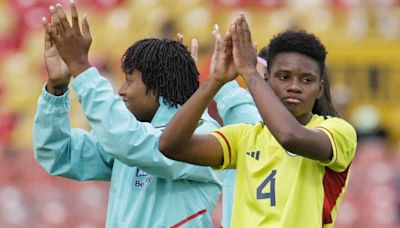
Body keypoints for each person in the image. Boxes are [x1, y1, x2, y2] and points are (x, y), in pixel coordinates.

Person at [33, 2, 258, 227]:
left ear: (159, 87)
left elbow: (132, 141)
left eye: (129, 81)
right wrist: (57, 88)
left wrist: (82, 68)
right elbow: (58, 153)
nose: (121, 90)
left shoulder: (203, 133)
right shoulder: (133, 136)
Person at [159, 14, 357, 227]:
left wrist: (249, 72)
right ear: (267, 80)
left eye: (306, 80)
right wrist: (214, 82)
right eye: (284, 77)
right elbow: (170, 146)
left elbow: (289, 136)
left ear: (319, 89)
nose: (294, 86)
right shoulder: (244, 137)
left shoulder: (338, 131)